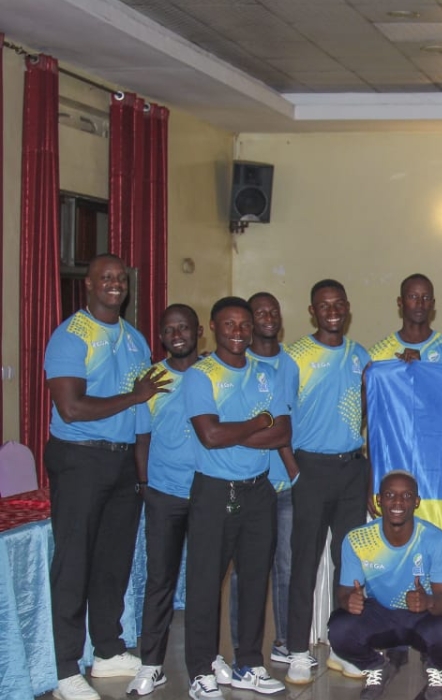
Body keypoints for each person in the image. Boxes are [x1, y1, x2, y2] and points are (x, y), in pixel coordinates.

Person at [44, 254, 169, 700]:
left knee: (113, 563)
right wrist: (133, 395)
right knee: (74, 564)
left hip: (121, 465)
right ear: (89, 285)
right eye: (105, 278)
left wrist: (143, 476)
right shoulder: (70, 336)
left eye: (120, 279)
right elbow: (71, 408)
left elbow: (141, 416)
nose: (114, 284)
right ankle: (64, 669)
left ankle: (108, 650)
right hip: (78, 460)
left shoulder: (135, 339)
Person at [183, 297, 292, 699]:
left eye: (245, 324)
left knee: (253, 582)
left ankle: (249, 663)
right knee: (205, 584)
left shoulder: (267, 374)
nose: (239, 332)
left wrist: (238, 430)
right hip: (214, 492)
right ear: (214, 326)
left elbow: (281, 433)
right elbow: (210, 437)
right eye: (229, 324)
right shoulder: (201, 375)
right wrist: (256, 422)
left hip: (258, 491)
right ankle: (200, 667)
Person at [128, 305, 229, 696]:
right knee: (160, 581)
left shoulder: (214, 375)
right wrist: (145, 484)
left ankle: (209, 657)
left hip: (209, 492)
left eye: (184, 327)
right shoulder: (151, 380)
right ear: (161, 335)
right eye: (169, 328)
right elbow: (142, 438)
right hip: (165, 494)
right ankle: (152, 663)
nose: (177, 334)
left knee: (207, 583)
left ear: (199, 331)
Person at [284, 280, 374, 685]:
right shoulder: (296, 356)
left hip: (351, 470)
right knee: (303, 563)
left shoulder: (361, 356)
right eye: (324, 305)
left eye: (338, 304)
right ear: (312, 311)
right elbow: (281, 419)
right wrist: (294, 470)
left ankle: (343, 645)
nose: (332, 310)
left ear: (348, 308)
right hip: (310, 470)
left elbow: (371, 413)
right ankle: (299, 650)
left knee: (348, 563)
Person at [327, 470, 442, 700]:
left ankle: (434, 668)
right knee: (339, 629)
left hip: (423, 618)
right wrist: (348, 600)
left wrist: (428, 601)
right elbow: (346, 590)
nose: (398, 502)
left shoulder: (436, 539)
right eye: (390, 494)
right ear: (379, 500)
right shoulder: (357, 539)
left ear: (416, 501)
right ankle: (375, 666)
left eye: (406, 495)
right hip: (380, 614)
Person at [228, 292, 303, 670]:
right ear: (250, 321)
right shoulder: (239, 365)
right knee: (247, 570)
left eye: (274, 310)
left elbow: (285, 425)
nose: (268, 317)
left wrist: (293, 472)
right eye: (260, 312)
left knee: (286, 567)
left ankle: (285, 641)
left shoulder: (289, 365)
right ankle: (243, 646)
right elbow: (241, 430)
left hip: (286, 489)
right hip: (250, 483)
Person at [368, 274, 442, 365]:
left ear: (432, 304)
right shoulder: (376, 356)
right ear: (400, 302)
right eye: (413, 297)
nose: (420, 303)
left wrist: (421, 369)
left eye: (426, 297)